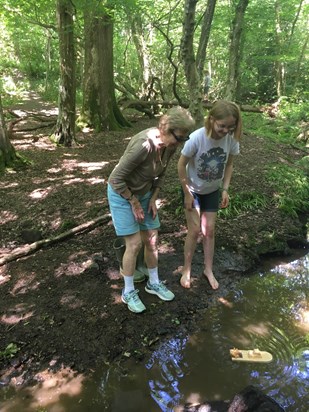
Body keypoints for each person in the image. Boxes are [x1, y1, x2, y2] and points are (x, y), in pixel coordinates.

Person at [107, 107, 195, 313]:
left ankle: (153, 283)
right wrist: (134, 202)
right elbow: (115, 179)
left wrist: (153, 198)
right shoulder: (143, 145)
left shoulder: (170, 146)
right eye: (179, 137)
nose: (181, 143)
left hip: (145, 193)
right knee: (135, 243)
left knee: (152, 239)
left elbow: (161, 174)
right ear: (164, 128)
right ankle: (128, 291)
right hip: (122, 194)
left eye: (184, 138)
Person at [177, 100, 242, 290]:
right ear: (211, 120)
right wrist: (187, 193)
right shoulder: (197, 138)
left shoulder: (231, 139)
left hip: (212, 190)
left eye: (231, 127)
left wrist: (225, 189)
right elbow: (181, 165)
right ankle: (186, 269)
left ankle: (208, 269)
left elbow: (229, 164)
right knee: (195, 230)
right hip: (193, 191)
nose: (226, 131)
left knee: (210, 231)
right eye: (222, 126)